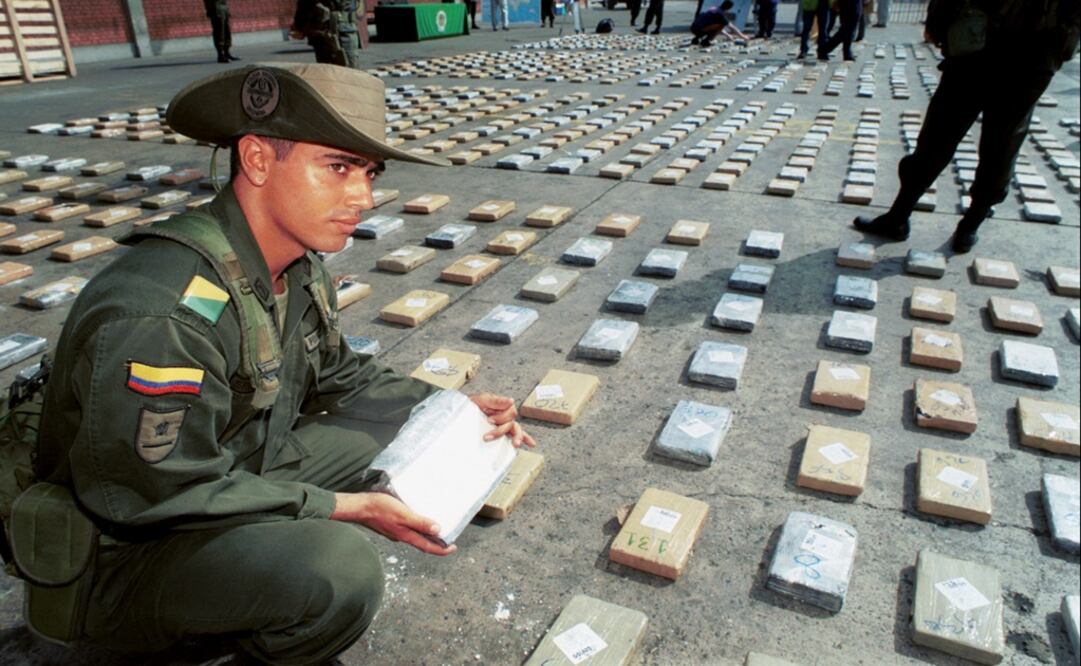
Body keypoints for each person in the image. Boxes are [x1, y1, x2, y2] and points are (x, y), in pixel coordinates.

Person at [26, 63, 535, 664]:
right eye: (338, 168)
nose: (364, 197)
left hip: (234, 461)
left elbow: (340, 373)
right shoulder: (165, 315)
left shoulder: (292, 263)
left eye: (369, 172)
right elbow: (156, 493)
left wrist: (448, 407)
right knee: (338, 572)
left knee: (413, 433)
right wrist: (346, 508)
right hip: (125, 556)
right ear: (259, 160)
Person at [854, 0, 1079, 253]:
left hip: (1030, 53)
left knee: (998, 144)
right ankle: (901, 216)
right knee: (941, 137)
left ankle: (969, 224)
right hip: (981, 46)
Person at [291, 0, 362, 68]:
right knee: (332, 72)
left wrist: (299, 26)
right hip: (328, 30)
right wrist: (299, 26)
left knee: (349, 72)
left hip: (342, 28)